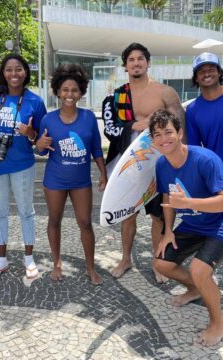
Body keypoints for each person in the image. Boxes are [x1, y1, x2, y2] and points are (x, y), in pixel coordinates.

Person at [102, 43, 185, 282]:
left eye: (140, 59)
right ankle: (126, 258)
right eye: (131, 60)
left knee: (158, 216)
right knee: (127, 213)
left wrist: (181, 162)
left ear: (148, 63)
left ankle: (158, 263)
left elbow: (180, 127)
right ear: (125, 66)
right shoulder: (118, 95)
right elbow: (111, 130)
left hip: (158, 163)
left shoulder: (165, 92)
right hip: (129, 163)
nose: (136, 63)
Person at [150, 109, 223, 347]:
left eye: (168, 131)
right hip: (192, 225)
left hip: (218, 225)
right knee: (161, 263)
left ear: (180, 133)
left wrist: (188, 203)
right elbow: (167, 197)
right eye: (158, 134)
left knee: (200, 269)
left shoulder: (205, 159)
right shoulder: (162, 165)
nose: (164, 138)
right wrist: (168, 231)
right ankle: (195, 289)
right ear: (153, 141)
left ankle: (217, 324)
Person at [36, 64, 107, 285]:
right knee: (54, 221)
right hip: (55, 179)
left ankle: (90, 267)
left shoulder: (88, 118)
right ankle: (56, 262)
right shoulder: (48, 119)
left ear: (81, 93)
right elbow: (40, 150)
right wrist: (39, 144)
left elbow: (96, 149)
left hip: (81, 181)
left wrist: (103, 174)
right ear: (57, 91)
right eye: (65, 90)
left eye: (74, 90)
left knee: (85, 222)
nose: (69, 94)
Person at [0, 54, 47, 280]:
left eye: (19, 69)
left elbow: (39, 138)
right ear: (3, 73)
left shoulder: (35, 102)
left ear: (25, 72)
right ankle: (2, 260)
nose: (14, 74)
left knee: (26, 211)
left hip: (23, 165)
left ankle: (29, 259)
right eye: (9, 69)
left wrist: (30, 133)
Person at [186, 52, 223, 160]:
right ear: (196, 78)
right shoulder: (192, 110)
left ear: (219, 72)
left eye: (211, 69)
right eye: (202, 71)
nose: (207, 74)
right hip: (216, 171)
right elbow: (194, 149)